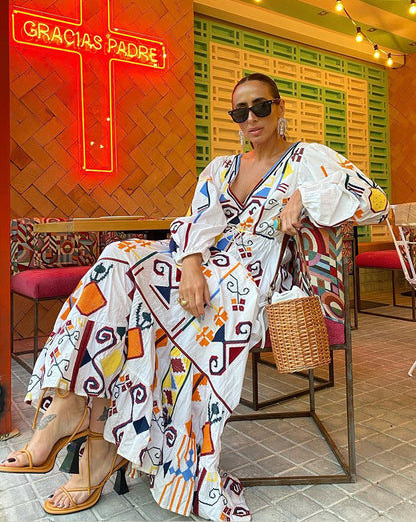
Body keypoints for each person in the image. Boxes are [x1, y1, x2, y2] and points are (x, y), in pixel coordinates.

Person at [0, 72, 389, 521]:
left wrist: (304, 195)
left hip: (247, 284)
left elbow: (374, 200)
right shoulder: (221, 168)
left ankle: (99, 442)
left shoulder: (308, 158)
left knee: (140, 316)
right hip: (197, 269)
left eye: (260, 107)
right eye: (240, 112)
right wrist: (189, 266)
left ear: (279, 108)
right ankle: (71, 407)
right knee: (118, 259)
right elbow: (196, 223)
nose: (251, 118)